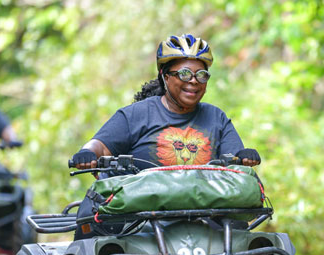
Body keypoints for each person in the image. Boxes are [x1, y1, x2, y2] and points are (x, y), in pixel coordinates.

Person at [71, 34, 261, 172]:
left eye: (201, 75)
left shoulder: (215, 117)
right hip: (144, 219)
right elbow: (100, 146)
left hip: (205, 217)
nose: (194, 81)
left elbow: (235, 158)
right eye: (184, 74)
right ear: (165, 76)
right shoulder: (137, 114)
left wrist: (245, 156)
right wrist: (87, 153)